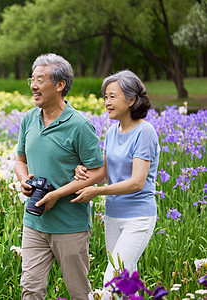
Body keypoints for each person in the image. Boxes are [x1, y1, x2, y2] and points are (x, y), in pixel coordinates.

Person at [14, 53, 105, 300]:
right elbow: (20, 159)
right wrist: (23, 179)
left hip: (69, 225)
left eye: (40, 79)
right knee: (30, 290)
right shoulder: (29, 119)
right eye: (32, 79)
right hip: (34, 222)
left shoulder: (79, 125)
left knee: (78, 292)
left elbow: (99, 171)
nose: (33, 85)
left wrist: (57, 194)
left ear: (60, 84)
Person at [72, 70, 160, 286]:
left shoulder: (145, 132)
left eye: (113, 96)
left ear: (131, 100)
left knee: (113, 280)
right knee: (127, 284)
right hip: (113, 216)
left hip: (137, 217)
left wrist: (97, 191)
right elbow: (103, 174)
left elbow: (137, 182)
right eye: (105, 97)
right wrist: (81, 171)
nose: (107, 102)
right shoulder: (112, 132)